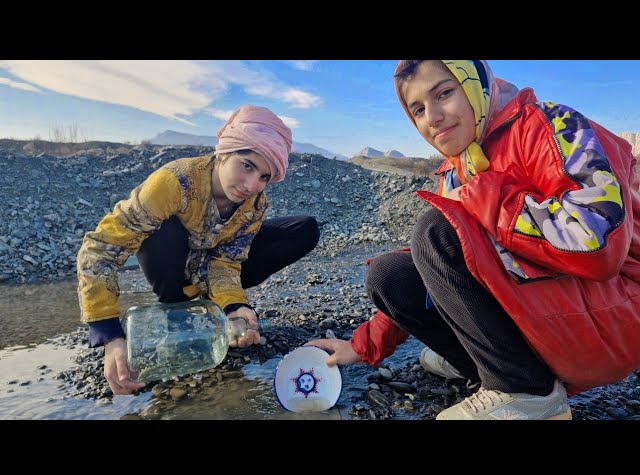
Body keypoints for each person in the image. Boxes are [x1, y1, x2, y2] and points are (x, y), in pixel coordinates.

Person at [308, 60, 640, 420]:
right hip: (561, 315)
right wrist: (362, 345)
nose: (432, 117)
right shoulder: (460, 166)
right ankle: (484, 364)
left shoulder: (552, 124)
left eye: (444, 94)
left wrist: (482, 194)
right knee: (392, 276)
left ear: (476, 88)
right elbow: (438, 260)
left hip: (618, 315)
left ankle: (526, 391)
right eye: (418, 109)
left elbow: (597, 244)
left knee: (438, 232)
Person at [77, 105, 320, 395]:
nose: (252, 185)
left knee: (304, 228)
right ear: (224, 152)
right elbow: (101, 248)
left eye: (264, 177)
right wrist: (109, 334)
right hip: (174, 266)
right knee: (160, 228)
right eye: (247, 165)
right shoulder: (174, 182)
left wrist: (234, 306)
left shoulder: (255, 204)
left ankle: (214, 307)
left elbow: (227, 260)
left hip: (210, 270)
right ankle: (176, 303)